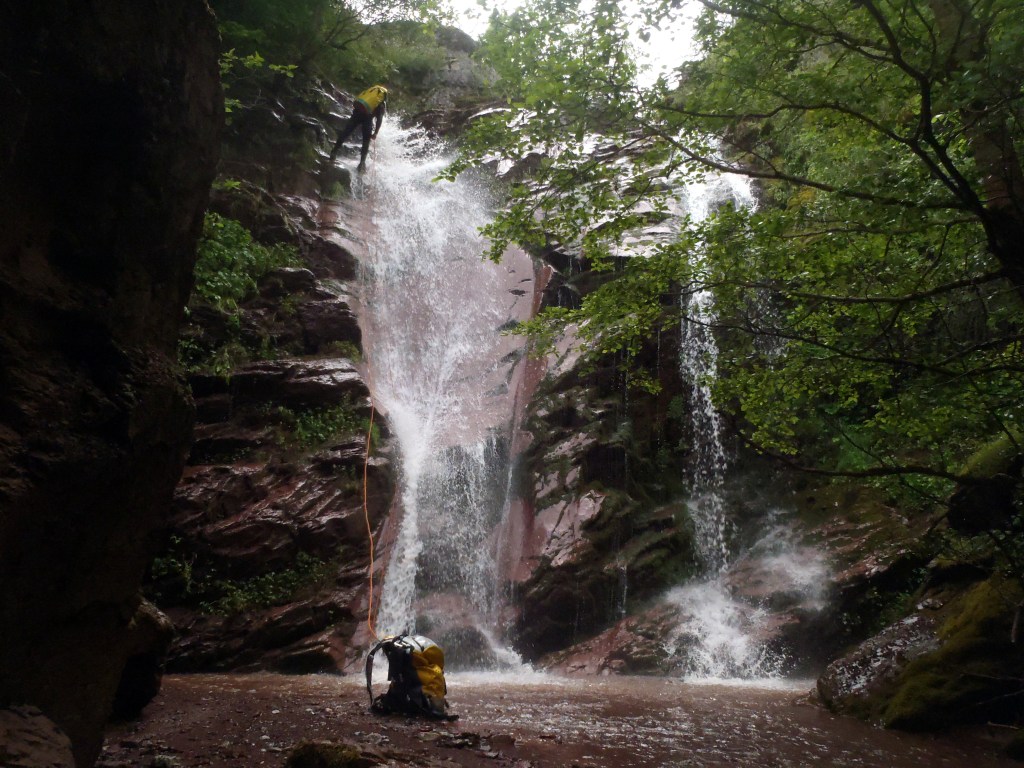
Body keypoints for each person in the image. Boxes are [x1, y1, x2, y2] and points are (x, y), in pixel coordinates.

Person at [329, 85, 388, 172]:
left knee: (346, 132)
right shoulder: (381, 103)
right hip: (367, 118)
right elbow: (379, 119)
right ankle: (362, 163)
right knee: (366, 141)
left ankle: (334, 152)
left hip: (357, 114)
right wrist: (375, 133)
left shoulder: (368, 94)